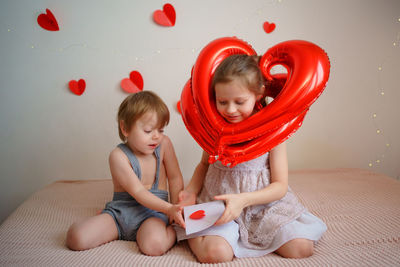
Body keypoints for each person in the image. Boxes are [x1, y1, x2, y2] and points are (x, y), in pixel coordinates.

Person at [177, 55, 327, 263]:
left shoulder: (272, 131)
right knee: (215, 254)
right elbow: (204, 164)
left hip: (261, 207)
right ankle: (194, 235)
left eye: (239, 102)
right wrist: (190, 191)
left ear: (258, 94)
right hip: (220, 203)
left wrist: (244, 200)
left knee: (301, 248)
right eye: (222, 102)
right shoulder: (215, 129)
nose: (230, 110)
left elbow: (280, 186)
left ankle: (253, 236)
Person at [66, 91, 185, 256]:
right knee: (76, 238)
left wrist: (177, 210)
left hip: (155, 214)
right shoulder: (118, 156)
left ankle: (174, 231)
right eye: (148, 130)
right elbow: (138, 192)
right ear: (125, 128)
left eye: (161, 130)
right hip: (122, 213)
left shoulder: (164, 145)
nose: (156, 136)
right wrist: (169, 208)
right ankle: (101, 220)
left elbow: (175, 177)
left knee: (154, 246)